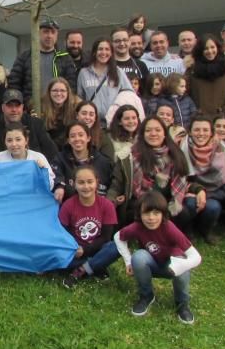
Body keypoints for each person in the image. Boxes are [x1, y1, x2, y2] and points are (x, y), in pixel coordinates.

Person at [114, 190, 201, 324]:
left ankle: (182, 304)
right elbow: (118, 237)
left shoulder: (169, 228)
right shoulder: (138, 226)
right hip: (152, 265)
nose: (151, 218)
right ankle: (146, 296)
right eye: (146, 213)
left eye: (156, 213)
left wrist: (180, 266)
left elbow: (196, 256)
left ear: (163, 214)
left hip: (172, 266)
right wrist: (128, 262)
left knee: (183, 265)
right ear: (139, 214)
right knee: (138, 257)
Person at [108, 116, 189, 226]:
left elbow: (184, 179)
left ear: (165, 134)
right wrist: (110, 201)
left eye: (157, 130)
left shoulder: (176, 155)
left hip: (166, 204)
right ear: (142, 134)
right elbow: (116, 184)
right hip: (139, 204)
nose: (153, 134)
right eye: (148, 130)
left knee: (183, 212)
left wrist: (197, 189)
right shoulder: (129, 157)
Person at [60, 166, 120, 288]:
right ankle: (96, 266)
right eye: (81, 182)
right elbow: (62, 233)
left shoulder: (107, 205)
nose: (86, 186)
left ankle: (80, 271)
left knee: (115, 247)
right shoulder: (68, 205)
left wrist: (85, 250)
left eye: (90, 182)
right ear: (73, 184)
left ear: (97, 182)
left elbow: (105, 238)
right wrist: (75, 248)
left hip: (96, 249)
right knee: (57, 257)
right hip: (74, 252)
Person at [177, 115, 225, 243]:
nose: (201, 133)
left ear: (211, 132)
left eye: (205, 130)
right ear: (190, 131)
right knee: (189, 204)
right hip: (187, 192)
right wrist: (195, 192)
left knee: (212, 207)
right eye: (197, 130)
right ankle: (187, 230)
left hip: (213, 195)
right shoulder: (181, 148)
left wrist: (205, 195)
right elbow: (178, 179)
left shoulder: (223, 152)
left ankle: (206, 230)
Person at [8, 17, 78, 104]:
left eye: (53, 32)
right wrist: (23, 104)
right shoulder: (24, 57)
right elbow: (14, 84)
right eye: (45, 32)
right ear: (38, 33)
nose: (49, 36)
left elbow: (71, 86)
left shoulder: (65, 58)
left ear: (57, 35)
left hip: (58, 108)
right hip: (32, 108)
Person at [0, 89, 59, 162]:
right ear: (3, 108)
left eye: (17, 105)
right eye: (10, 106)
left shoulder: (36, 124)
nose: (14, 110)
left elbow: (52, 153)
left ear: (22, 107)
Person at [77, 36, 134, 124]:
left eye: (107, 49)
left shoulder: (118, 72)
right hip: (92, 122)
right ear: (94, 52)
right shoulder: (84, 73)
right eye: (100, 49)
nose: (103, 52)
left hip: (114, 122)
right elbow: (80, 98)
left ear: (111, 53)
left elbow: (129, 95)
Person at [54, 122, 113, 202]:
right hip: (69, 205)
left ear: (88, 138)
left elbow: (110, 185)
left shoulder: (102, 161)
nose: (77, 139)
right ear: (68, 140)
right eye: (73, 136)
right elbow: (56, 176)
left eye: (81, 135)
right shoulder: (60, 159)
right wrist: (59, 186)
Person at [0, 122, 56, 190]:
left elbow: (50, 185)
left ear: (26, 140)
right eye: (9, 140)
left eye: (18, 139)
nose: (14, 144)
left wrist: (42, 170)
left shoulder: (38, 157)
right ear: (5, 142)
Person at [187, 34, 225, 117]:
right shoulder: (192, 69)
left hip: (221, 119)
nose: (210, 51)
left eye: (212, 47)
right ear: (200, 50)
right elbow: (186, 93)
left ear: (217, 48)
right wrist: (194, 111)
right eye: (206, 48)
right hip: (199, 120)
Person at [41, 77, 78, 148]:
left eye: (62, 91)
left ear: (68, 93)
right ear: (49, 92)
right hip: (46, 148)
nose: (58, 93)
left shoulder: (75, 110)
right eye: (55, 90)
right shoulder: (40, 109)